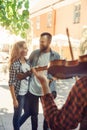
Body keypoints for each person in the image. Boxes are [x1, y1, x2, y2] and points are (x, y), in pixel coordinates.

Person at [19, 32, 60, 130]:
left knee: (47, 115)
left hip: (46, 90)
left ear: (49, 42)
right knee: (34, 114)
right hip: (33, 89)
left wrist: (54, 78)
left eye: (43, 42)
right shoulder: (34, 53)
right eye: (40, 42)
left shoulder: (56, 56)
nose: (40, 44)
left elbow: (58, 72)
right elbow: (27, 66)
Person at [8, 41, 31, 130]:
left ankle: (16, 127)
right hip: (19, 94)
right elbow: (11, 82)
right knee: (17, 115)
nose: (27, 49)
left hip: (27, 92)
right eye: (25, 48)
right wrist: (14, 99)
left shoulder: (28, 61)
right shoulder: (15, 64)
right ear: (20, 50)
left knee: (28, 112)